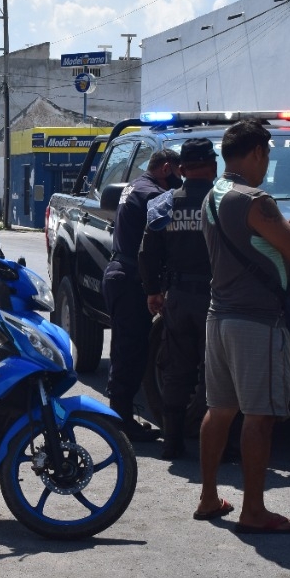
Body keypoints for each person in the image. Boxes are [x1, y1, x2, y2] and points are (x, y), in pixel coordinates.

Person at [196, 119, 290, 533]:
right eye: (267, 154)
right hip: (257, 322)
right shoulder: (256, 200)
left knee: (220, 411)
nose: (267, 163)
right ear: (257, 152)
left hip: (220, 318)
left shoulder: (214, 195)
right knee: (259, 417)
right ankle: (254, 510)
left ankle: (209, 496)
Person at [139, 138, 216, 460]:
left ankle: (172, 443)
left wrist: (153, 291)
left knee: (175, 371)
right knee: (217, 374)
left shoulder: (164, 204)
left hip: (179, 298)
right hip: (217, 300)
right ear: (213, 167)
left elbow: (147, 253)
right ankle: (220, 446)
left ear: (181, 170)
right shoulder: (223, 202)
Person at [103, 148, 181, 441]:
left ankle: (119, 418)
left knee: (127, 350)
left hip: (121, 274)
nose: (180, 179)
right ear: (165, 168)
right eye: (178, 171)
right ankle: (120, 424)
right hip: (130, 278)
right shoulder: (152, 194)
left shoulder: (137, 184)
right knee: (130, 353)